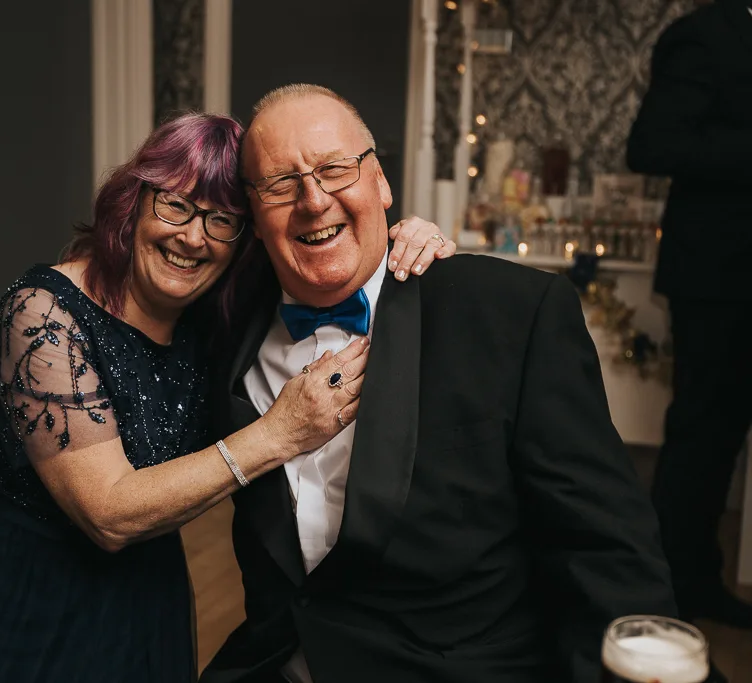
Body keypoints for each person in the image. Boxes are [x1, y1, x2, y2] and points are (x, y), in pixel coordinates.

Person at [0, 112, 453, 683]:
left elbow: (322, 246)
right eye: (174, 206)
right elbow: (110, 515)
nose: (193, 236)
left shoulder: (214, 320)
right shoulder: (42, 312)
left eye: (221, 220)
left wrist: (411, 237)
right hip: (6, 591)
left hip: (137, 594)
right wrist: (278, 433)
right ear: (134, 202)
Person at [196, 84, 676, 683]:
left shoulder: (509, 315)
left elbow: (606, 548)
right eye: (280, 185)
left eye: (335, 169)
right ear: (252, 215)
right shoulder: (220, 327)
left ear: (382, 184)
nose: (314, 200)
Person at [627, 0, 752, 629]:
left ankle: (696, 575)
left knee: (723, 438)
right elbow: (650, 145)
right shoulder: (703, 35)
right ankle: (675, 585)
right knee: (703, 434)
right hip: (721, 276)